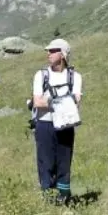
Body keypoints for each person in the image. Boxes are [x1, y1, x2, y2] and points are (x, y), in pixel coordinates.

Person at [30, 38, 83, 205]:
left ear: (64, 54)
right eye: (48, 51)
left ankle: (64, 197)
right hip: (44, 123)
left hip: (66, 124)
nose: (49, 53)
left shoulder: (75, 76)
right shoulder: (41, 75)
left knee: (64, 160)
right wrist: (62, 101)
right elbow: (37, 102)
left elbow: (76, 101)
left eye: (53, 51)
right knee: (45, 161)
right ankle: (48, 197)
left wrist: (51, 101)